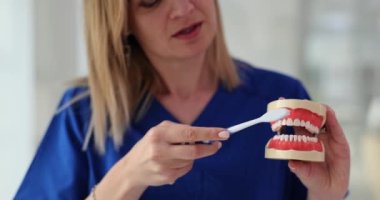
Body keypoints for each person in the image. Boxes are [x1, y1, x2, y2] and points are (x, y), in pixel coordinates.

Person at [15, 0, 350, 199]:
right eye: (151, 0)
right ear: (120, 20)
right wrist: (127, 178)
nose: (183, 8)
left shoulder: (283, 101)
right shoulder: (82, 115)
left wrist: (328, 195)